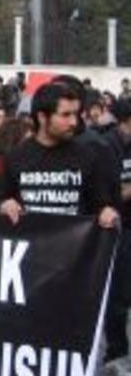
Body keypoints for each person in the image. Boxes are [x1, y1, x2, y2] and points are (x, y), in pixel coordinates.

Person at [0, 83, 118, 228]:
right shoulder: (16, 157)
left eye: (75, 114)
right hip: (30, 246)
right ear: (42, 117)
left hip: (74, 248)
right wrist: (4, 205)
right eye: (65, 115)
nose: (74, 122)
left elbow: (100, 203)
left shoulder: (87, 156)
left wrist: (107, 213)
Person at [104, 99, 131, 362]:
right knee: (119, 296)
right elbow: (110, 195)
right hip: (119, 230)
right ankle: (116, 351)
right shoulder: (107, 146)